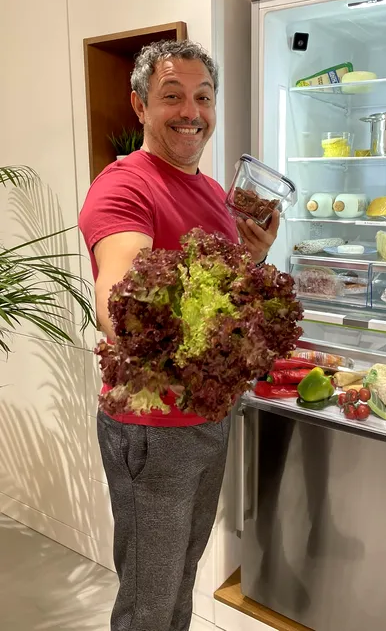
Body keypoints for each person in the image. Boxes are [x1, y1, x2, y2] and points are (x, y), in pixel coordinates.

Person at [79, 39, 279, 631]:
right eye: (172, 96)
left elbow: (217, 288)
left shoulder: (215, 191)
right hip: (153, 429)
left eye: (203, 97)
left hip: (207, 416)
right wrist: (137, 317)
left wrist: (252, 257)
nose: (191, 111)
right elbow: (120, 305)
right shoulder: (124, 187)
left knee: (180, 577)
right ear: (140, 105)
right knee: (149, 599)